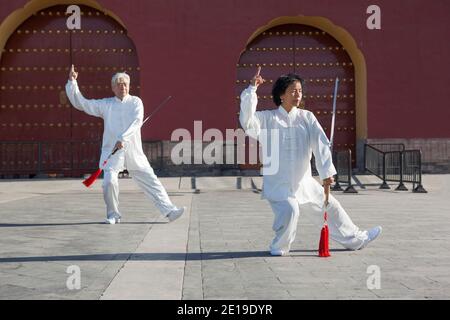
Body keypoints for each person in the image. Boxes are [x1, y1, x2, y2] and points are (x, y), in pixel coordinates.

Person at [239, 67, 382, 256]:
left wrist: (326, 173)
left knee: (331, 206)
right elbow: (247, 121)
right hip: (278, 184)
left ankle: (357, 239)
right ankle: (279, 247)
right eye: (292, 90)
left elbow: (320, 144)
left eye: (299, 90)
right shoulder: (267, 119)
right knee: (290, 210)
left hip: (304, 182)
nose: (297, 94)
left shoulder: (307, 117)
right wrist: (251, 90)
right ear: (282, 94)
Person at [66, 65, 185, 224]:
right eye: (119, 84)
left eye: (125, 84)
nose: (123, 87)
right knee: (109, 182)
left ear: (129, 86)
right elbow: (83, 104)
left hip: (133, 151)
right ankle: (113, 215)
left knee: (151, 180)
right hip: (112, 151)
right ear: (113, 87)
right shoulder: (106, 104)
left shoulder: (136, 102)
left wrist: (123, 138)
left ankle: (169, 211)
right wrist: (73, 82)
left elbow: (137, 122)